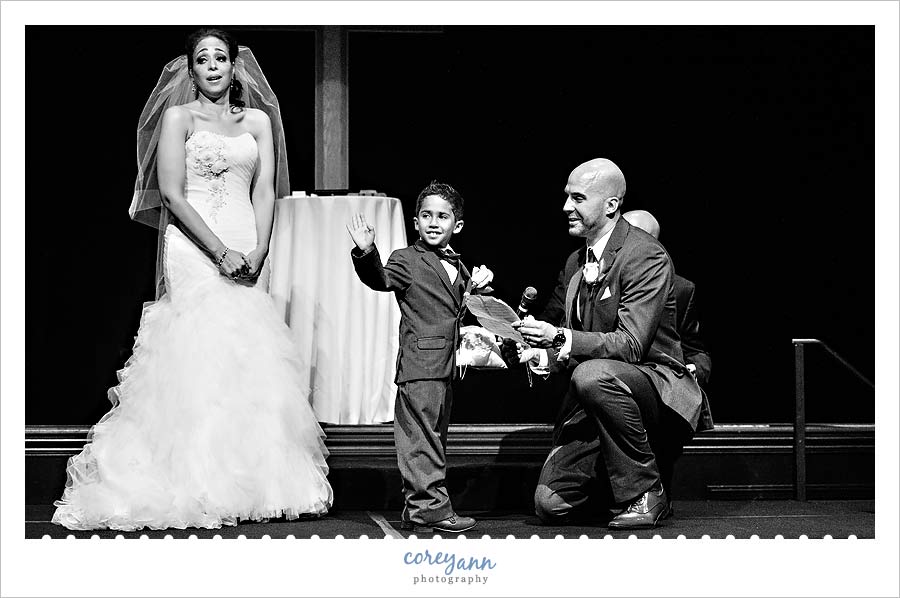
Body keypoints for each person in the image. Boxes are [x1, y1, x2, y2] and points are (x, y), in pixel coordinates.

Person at [52, 28, 333, 531]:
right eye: (202, 59)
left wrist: (259, 248)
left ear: (233, 65)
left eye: (220, 57)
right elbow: (173, 194)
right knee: (196, 348)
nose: (212, 66)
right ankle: (193, 479)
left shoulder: (259, 121)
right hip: (194, 244)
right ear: (190, 69)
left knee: (246, 352)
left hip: (246, 242)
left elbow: (267, 188)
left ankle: (250, 480)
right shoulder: (178, 117)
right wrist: (219, 251)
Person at [506, 158, 703, 529]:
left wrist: (561, 338)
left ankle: (647, 493)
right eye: (567, 197)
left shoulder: (645, 254)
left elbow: (630, 345)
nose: (566, 207)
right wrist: (541, 354)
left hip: (654, 388)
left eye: (578, 198)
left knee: (593, 375)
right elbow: (571, 336)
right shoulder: (576, 261)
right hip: (598, 394)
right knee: (550, 505)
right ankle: (623, 485)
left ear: (611, 205)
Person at [347, 182, 494, 533]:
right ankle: (431, 509)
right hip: (420, 364)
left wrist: (478, 288)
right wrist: (367, 253)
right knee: (421, 440)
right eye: (426, 215)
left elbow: (455, 310)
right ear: (415, 222)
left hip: (445, 366)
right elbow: (381, 279)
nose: (433, 222)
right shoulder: (406, 260)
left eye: (442, 216)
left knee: (432, 438)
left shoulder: (457, 264)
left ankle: (419, 508)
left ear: (456, 225)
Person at [622, 210, 712, 389]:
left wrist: (693, 369)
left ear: (652, 244)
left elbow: (694, 351)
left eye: (634, 237)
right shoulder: (585, 274)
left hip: (655, 386)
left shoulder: (680, 289)